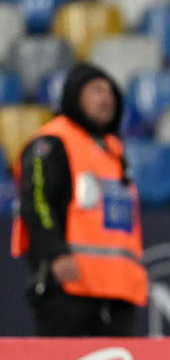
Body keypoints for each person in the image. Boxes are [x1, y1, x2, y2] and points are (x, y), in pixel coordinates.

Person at [10, 64, 148, 337]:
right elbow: (36, 202)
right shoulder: (51, 143)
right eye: (96, 91)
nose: (106, 98)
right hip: (68, 288)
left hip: (116, 292)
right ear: (74, 96)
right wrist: (56, 253)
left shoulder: (114, 150)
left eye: (110, 92)